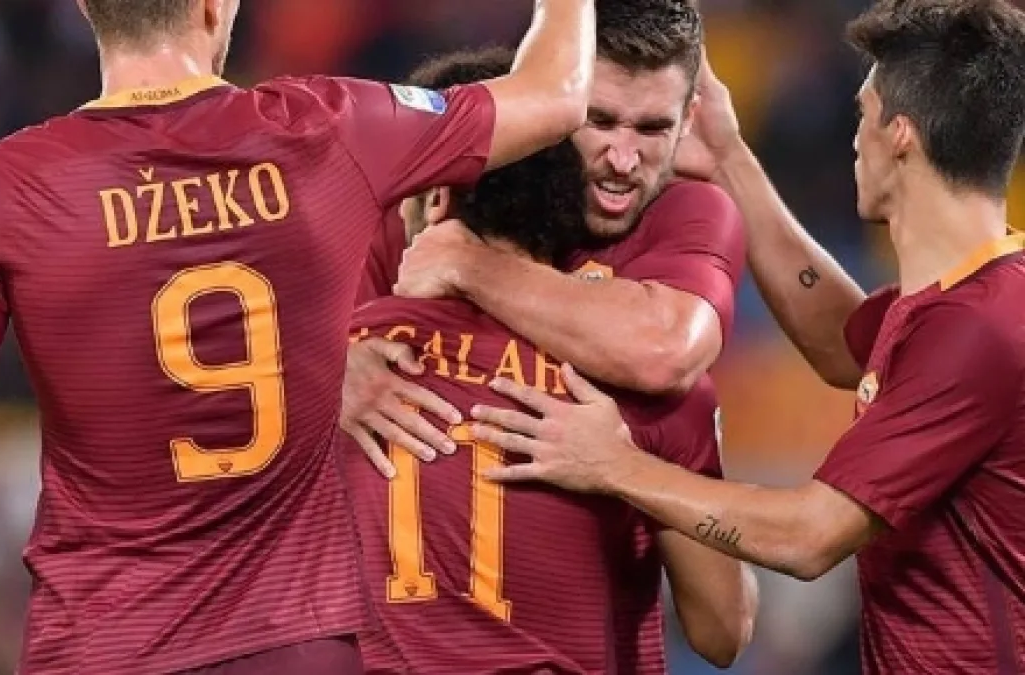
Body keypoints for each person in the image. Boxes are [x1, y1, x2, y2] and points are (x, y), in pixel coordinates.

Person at [0, 0, 598, 672]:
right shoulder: (330, 126)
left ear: (89, 8)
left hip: (103, 646)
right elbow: (557, 95)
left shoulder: (9, 185)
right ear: (214, 5)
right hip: (295, 645)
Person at [467, 1, 1025, 673]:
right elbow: (838, 342)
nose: (854, 140)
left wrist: (613, 463)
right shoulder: (974, 302)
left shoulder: (979, 328)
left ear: (900, 134)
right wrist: (729, 157)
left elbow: (809, 537)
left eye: (863, 113)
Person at [349, 45, 754, 675]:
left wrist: (318, 368)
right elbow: (724, 629)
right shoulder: (648, 396)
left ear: (436, 199)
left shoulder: (342, 359)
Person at [343, 0, 747, 469]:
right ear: (551, 99)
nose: (623, 161)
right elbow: (286, 334)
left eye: (652, 129)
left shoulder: (688, 211)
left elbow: (664, 353)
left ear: (688, 119)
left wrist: (468, 266)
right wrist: (330, 373)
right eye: (599, 121)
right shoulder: (427, 200)